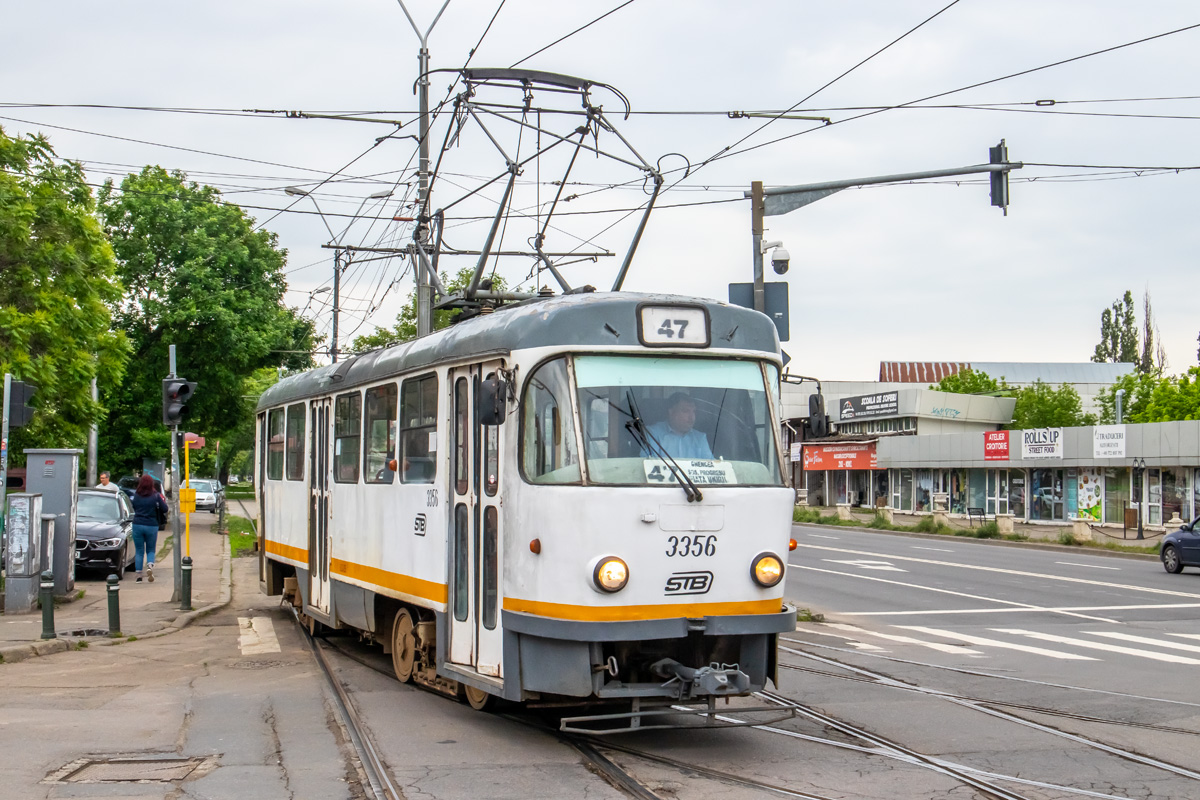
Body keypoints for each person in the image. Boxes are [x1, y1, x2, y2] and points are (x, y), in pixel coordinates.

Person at [646, 392, 714, 459]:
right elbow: (648, 464)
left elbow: (712, 467)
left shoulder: (700, 438)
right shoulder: (653, 433)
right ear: (671, 412)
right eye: (686, 411)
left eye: (694, 411)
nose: (692, 417)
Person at [129, 474, 167, 582]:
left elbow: (134, 507)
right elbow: (165, 509)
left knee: (139, 551)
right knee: (151, 549)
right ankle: (150, 566)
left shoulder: (136, 495)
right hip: (151, 525)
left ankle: (138, 576)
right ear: (151, 484)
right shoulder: (156, 496)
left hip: (137, 524)